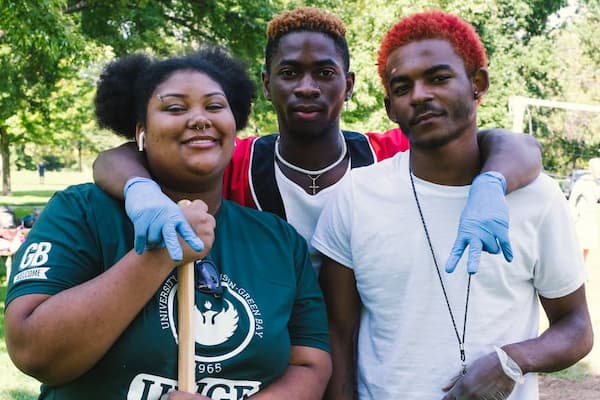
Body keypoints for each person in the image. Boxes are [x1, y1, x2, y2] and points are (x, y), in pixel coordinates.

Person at [92, 7, 542, 276]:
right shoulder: (237, 162)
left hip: (367, 357)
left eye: (324, 74)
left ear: (347, 85)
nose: (307, 87)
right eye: (289, 73)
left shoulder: (386, 155)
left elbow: (515, 146)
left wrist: (491, 184)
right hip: (267, 358)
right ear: (267, 85)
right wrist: (141, 191)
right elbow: (116, 159)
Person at [5, 47, 331, 399]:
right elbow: (33, 351)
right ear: (141, 132)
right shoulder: (82, 212)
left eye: (215, 106)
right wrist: (162, 252)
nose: (199, 119)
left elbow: (310, 364)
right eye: (175, 108)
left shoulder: (280, 241)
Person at [313, 10, 593, 400]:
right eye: (402, 87)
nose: (421, 94)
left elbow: (576, 326)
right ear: (391, 106)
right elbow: (338, 336)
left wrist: (512, 360)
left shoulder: (537, 197)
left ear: (478, 84)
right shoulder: (354, 197)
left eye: (439, 78)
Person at [569, 157, 600, 262]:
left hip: (591, 218)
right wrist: (573, 217)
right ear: (591, 169)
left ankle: (582, 267)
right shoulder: (582, 181)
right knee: (578, 245)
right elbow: (572, 200)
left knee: (588, 246)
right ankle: (575, 268)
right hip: (580, 218)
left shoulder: (598, 183)